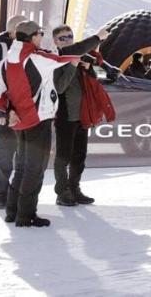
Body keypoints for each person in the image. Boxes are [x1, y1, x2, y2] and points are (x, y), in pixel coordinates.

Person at [0, 20, 74, 228]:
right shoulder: (36, 56)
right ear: (33, 36)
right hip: (39, 118)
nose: (42, 37)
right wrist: (97, 38)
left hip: (21, 120)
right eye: (41, 33)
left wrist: (8, 111)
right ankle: (26, 215)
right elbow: (64, 58)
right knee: (34, 169)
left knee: (22, 167)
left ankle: (13, 211)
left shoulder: (7, 60)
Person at [50, 23, 110, 206]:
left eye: (69, 36)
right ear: (56, 42)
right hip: (65, 115)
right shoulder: (55, 59)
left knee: (79, 156)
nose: (67, 40)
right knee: (63, 156)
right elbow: (59, 87)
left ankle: (75, 189)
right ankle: (62, 192)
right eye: (63, 38)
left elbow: (101, 76)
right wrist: (72, 66)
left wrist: (88, 68)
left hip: (83, 115)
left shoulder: (80, 55)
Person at [0, 14, 27, 210]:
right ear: (11, 32)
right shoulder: (0, 49)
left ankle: (18, 193)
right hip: (7, 112)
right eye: (21, 29)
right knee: (5, 156)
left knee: (24, 156)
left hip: (26, 112)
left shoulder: (29, 49)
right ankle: (0, 195)